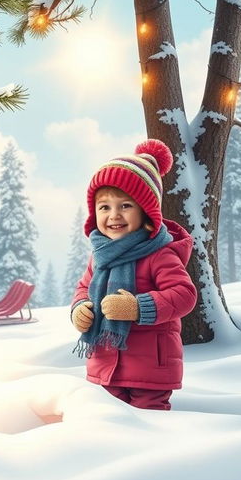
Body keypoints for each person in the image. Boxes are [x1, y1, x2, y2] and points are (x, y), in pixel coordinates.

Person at [71, 139, 196, 410]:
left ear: (146, 211)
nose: (114, 215)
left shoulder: (159, 254)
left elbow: (184, 295)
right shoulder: (101, 255)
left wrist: (138, 307)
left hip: (150, 368)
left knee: (149, 426)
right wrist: (80, 308)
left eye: (125, 205)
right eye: (104, 207)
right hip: (105, 363)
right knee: (109, 422)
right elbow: (83, 288)